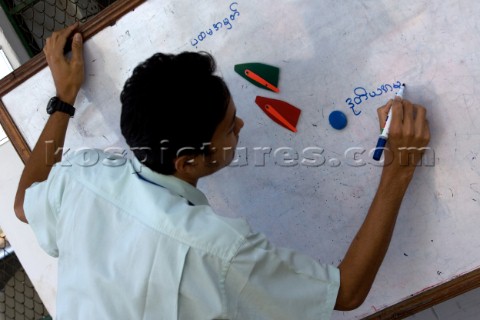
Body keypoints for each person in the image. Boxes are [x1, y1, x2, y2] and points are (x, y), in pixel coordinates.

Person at [14, 24, 430, 319]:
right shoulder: (215, 249)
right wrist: (398, 170)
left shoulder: (82, 178)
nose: (242, 126)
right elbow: (348, 291)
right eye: (230, 126)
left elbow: (23, 201)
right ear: (188, 162)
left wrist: (64, 97)